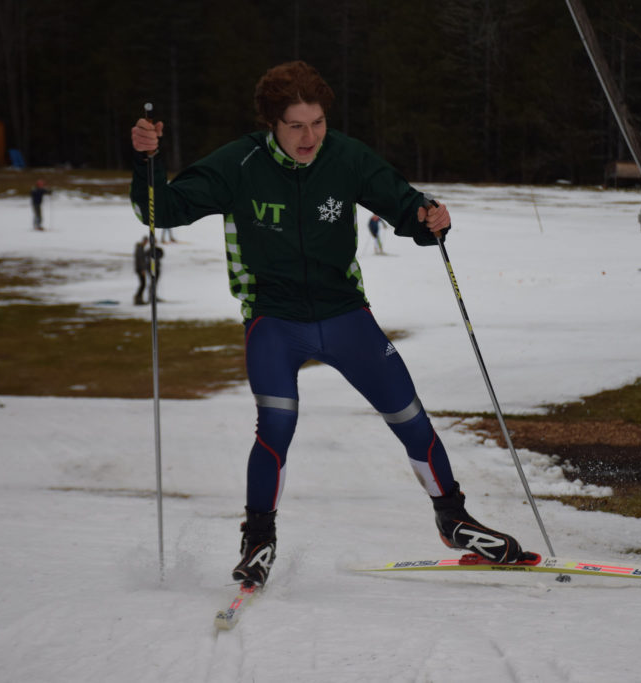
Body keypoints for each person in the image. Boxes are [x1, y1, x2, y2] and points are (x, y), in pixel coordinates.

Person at [129, 60, 528, 587]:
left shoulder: (345, 156)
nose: (309, 136)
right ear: (272, 123)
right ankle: (258, 539)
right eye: (295, 124)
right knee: (275, 424)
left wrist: (431, 219)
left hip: (344, 315)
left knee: (408, 415)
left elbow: (405, 206)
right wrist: (148, 163)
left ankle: (452, 518)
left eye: (316, 122)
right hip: (274, 320)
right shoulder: (241, 162)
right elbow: (163, 209)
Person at [133, 235, 163, 305]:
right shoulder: (142, 249)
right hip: (147, 269)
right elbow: (141, 260)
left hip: (150, 268)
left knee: (147, 284)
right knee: (144, 284)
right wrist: (142, 269)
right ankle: (139, 298)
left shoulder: (145, 249)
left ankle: (143, 297)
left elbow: (161, 254)